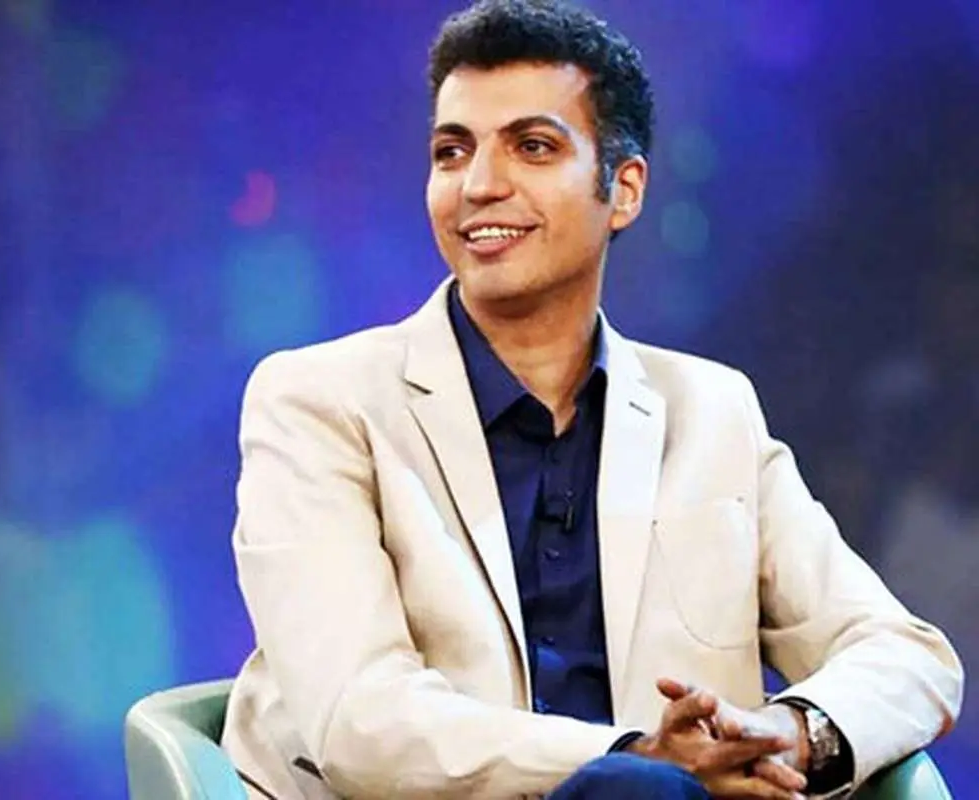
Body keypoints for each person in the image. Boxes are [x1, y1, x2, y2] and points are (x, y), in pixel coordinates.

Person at [219, 1, 964, 797]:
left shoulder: (714, 413)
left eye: (532, 147)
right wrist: (636, 757)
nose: (479, 186)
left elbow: (906, 654)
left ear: (625, 190)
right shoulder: (317, 403)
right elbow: (360, 722)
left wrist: (795, 732)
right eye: (452, 151)